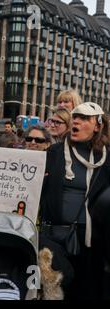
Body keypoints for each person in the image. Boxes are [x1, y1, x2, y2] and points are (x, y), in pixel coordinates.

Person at [40, 102, 110, 299]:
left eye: (84, 118)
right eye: (75, 117)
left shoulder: (106, 157)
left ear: (97, 125)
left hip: (91, 241)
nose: (76, 121)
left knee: (86, 290)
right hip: (54, 236)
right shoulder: (54, 153)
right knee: (58, 289)